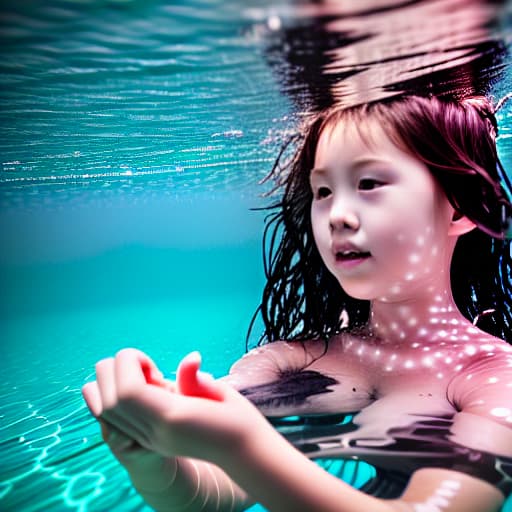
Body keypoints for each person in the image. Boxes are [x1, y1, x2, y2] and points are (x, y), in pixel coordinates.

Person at [82, 94, 512, 512]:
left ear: (459, 207)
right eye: (323, 191)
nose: (337, 215)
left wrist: (244, 443)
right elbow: (208, 496)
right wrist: (152, 456)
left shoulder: (496, 377)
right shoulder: (286, 360)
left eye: (368, 183)